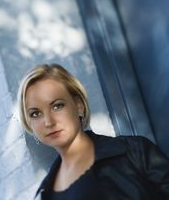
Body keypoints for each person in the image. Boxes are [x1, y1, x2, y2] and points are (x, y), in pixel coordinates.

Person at [17, 63, 169, 199]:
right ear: (29, 123)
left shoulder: (134, 151)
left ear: (79, 106)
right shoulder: (46, 193)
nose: (49, 122)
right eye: (35, 114)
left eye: (57, 106)